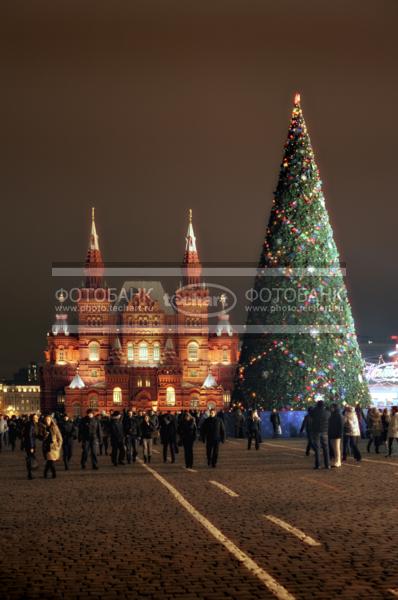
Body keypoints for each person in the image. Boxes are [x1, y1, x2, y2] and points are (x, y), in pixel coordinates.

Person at [309, 400, 330, 470]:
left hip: (316, 431)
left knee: (317, 449)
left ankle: (318, 465)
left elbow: (310, 412)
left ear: (317, 405)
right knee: (326, 448)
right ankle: (328, 465)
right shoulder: (327, 412)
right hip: (325, 432)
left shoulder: (314, 412)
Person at [41, 415, 63, 479]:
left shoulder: (54, 427)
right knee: (49, 460)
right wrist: (45, 434)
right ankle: (48, 474)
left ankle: (52, 474)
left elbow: (60, 438)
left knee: (50, 460)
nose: (47, 421)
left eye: (48, 419)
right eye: (46, 420)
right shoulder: (43, 427)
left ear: (51, 420)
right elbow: (41, 438)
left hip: (53, 446)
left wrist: (58, 446)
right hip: (46, 446)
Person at [23, 414, 39, 480]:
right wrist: (31, 447)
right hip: (29, 445)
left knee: (30, 458)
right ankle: (30, 474)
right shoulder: (31, 425)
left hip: (30, 444)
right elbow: (29, 436)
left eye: (37, 417)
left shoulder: (32, 424)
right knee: (30, 459)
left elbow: (34, 435)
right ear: (32, 418)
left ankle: (30, 473)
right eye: (35, 417)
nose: (37, 418)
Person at [328, 404, 344, 468]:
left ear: (335, 408)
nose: (331, 408)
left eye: (332, 407)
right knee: (335, 448)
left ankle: (338, 461)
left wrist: (340, 434)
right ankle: (337, 461)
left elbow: (341, 426)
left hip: (337, 434)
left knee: (337, 448)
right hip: (332, 434)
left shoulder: (339, 416)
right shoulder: (332, 415)